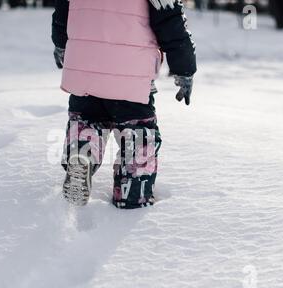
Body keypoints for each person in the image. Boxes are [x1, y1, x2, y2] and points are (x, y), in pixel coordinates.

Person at [52, 0, 197, 209]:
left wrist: (60, 44)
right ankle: (133, 194)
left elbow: (62, 11)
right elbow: (171, 22)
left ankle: (82, 157)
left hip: (84, 69)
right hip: (131, 76)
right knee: (137, 134)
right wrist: (184, 69)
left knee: (87, 120)